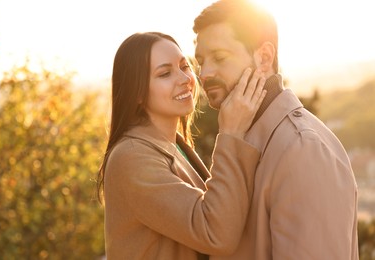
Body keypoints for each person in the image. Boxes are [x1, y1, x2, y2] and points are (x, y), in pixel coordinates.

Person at [193, 0, 359, 259]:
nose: (204, 73)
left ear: (264, 57)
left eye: (219, 57)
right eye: (200, 61)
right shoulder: (243, 137)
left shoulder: (303, 149)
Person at [96, 31, 267, 259]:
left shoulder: (172, 143)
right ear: (136, 92)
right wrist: (231, 133)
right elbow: (215, 233)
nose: (185, 78)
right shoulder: (131, 157)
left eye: (184, 66)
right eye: (165, 73)